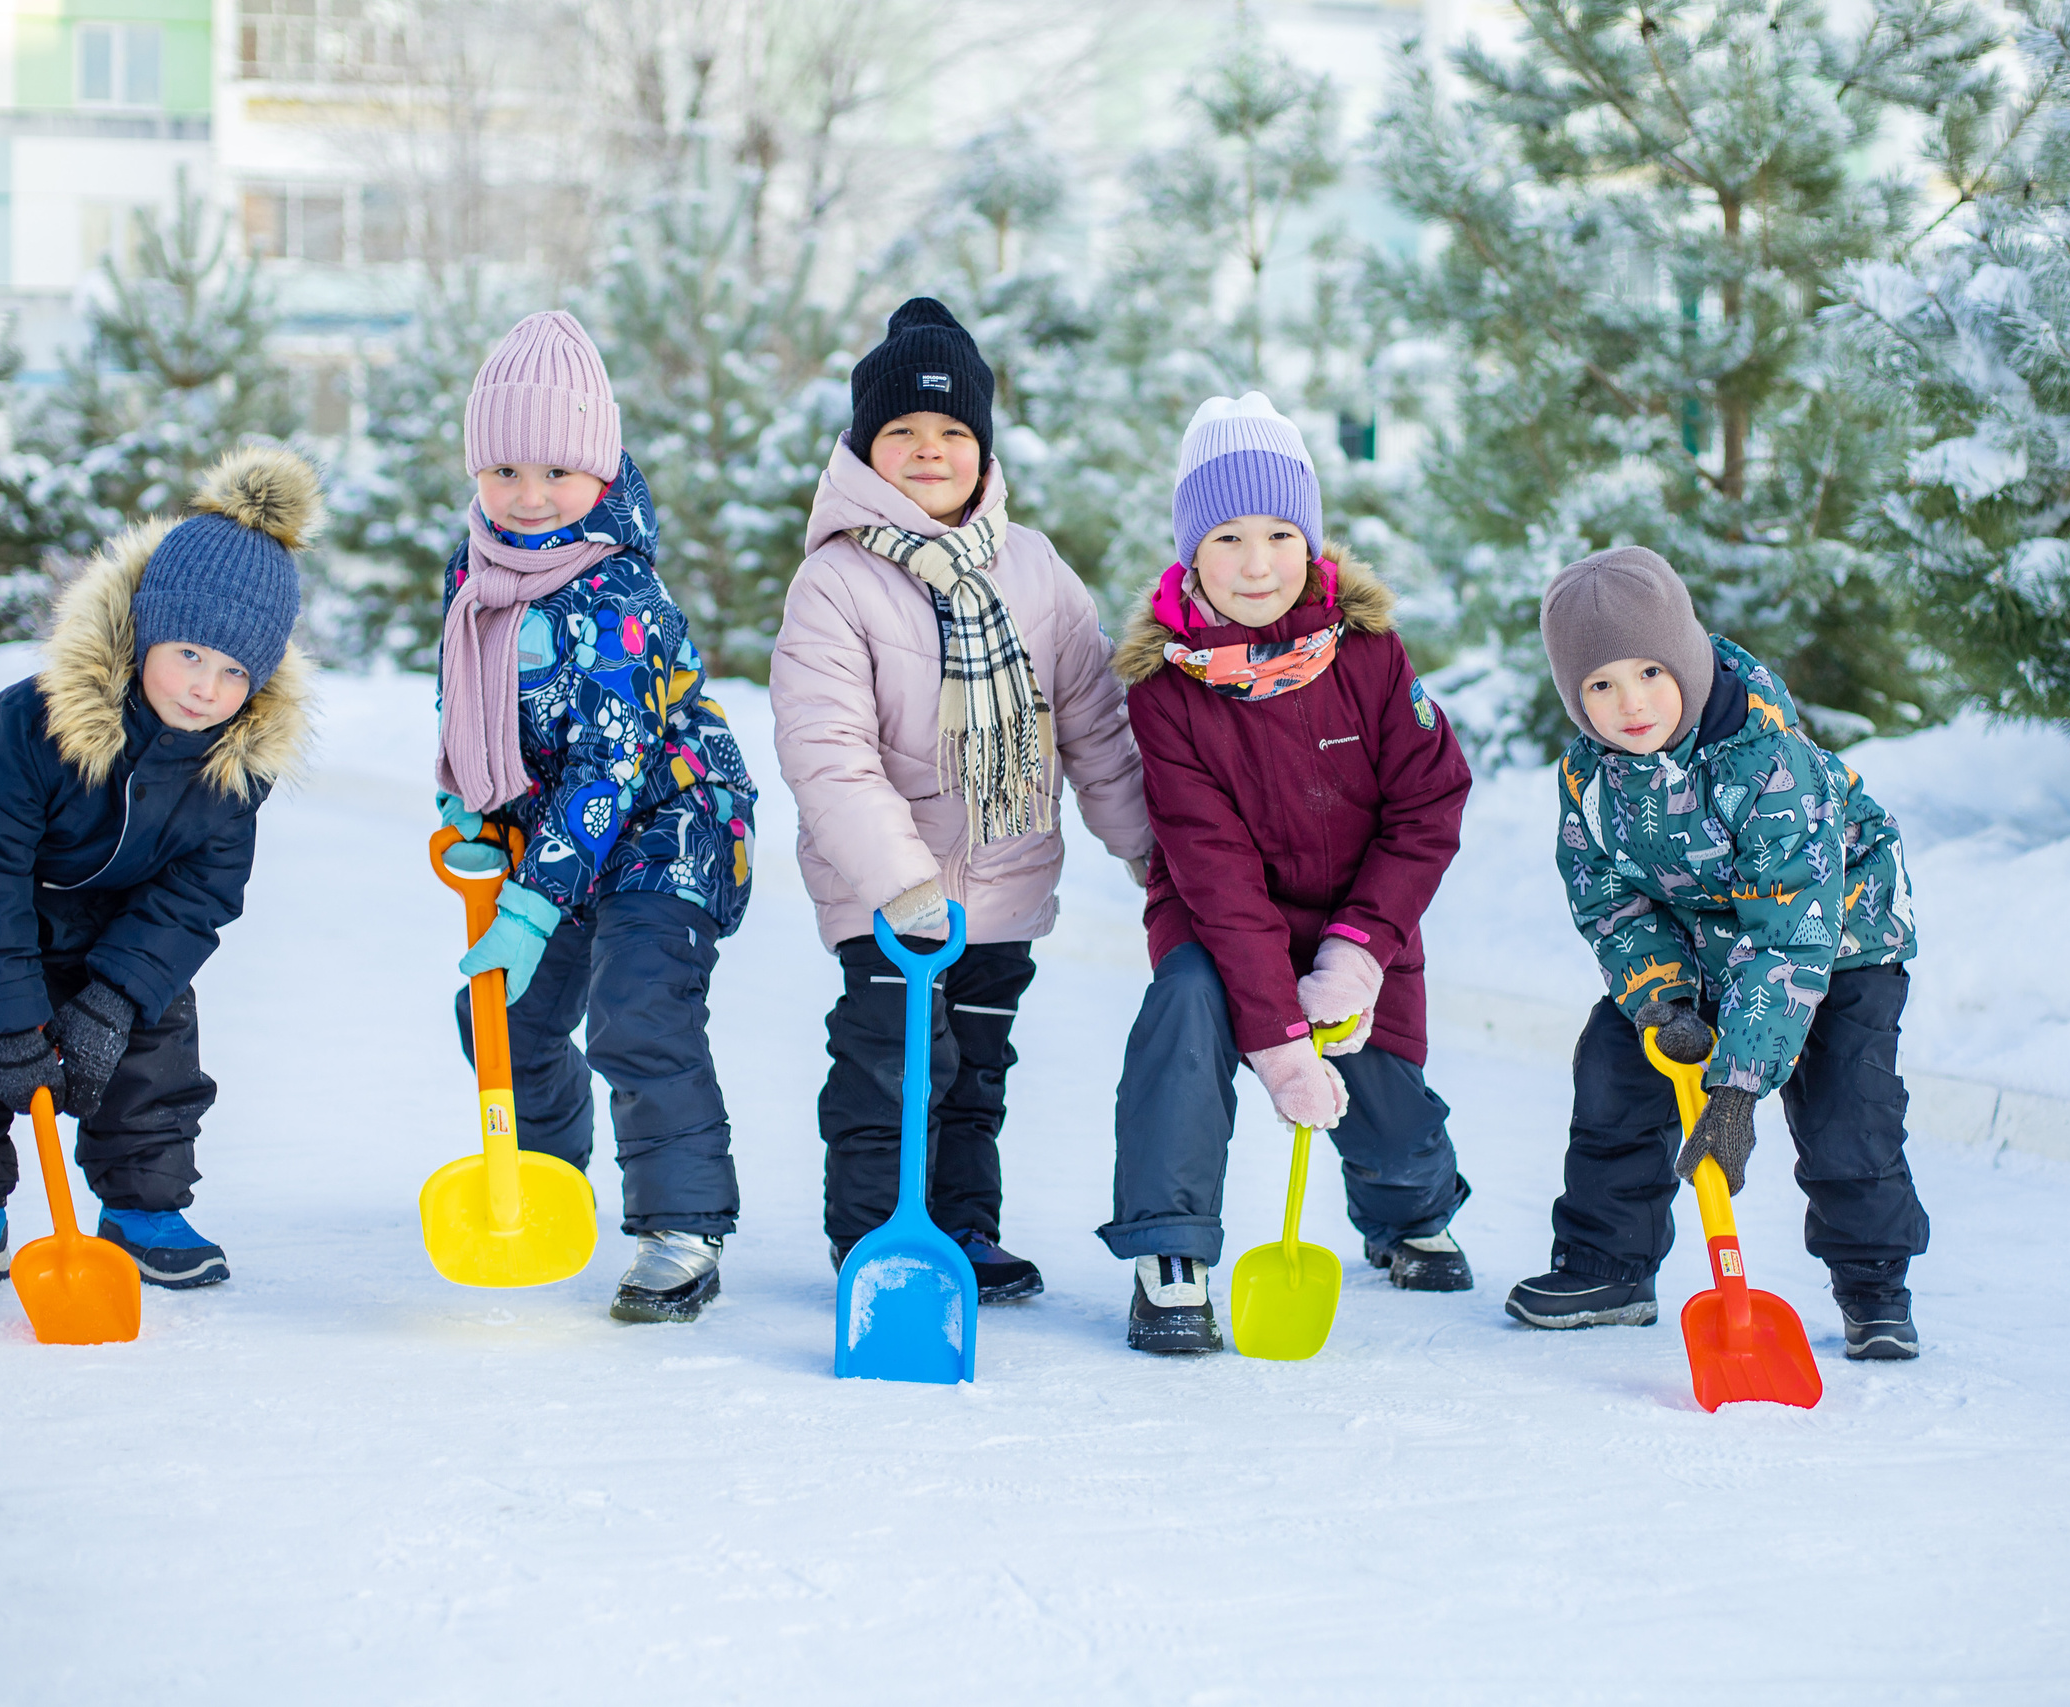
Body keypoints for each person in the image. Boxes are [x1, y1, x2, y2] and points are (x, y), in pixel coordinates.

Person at [770, 297, 1152, 1303]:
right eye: (902, 431)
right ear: (863, 450)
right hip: (884, 897)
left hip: (1003, 882)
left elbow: (1094, 727)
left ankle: (962, 1230)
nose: (929, 450)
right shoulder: (836, 583)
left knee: (975, 1073)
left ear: (983, 451)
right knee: (892, 1073)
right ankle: (873, 1245)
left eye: (952, 432)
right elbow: (827, 752)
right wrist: (900, 883)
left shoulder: (1035, 572)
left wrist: (1146, 849)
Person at [0, 445, 320, 1296]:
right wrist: (9, 1024)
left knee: (153, 1015)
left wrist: (112, 998)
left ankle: (142, 1205)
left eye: (233, 672)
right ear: (148, 627)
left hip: (97, 899)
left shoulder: (232, 768)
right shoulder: (31, 725)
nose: (203, 688)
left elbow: (197, 896)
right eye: (189, 653)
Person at [1099, 392, 1475, 1354]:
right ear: (1192, 551)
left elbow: (1427, 804)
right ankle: (1171, 1251)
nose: (1257, 562)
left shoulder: (1372, 656)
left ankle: (1408, 1211)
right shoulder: (1166, 690)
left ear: (1310, 539)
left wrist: (1358, 951)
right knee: (1186, 1011)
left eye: (1278, 532)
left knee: (1379, 1083)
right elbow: (1212, 867)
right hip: (1218, 920)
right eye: (1226, 536)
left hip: (1357, 914)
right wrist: (1274, 1040)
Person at [1507, 546, 1927, 1359]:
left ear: (1688, 660)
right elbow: (1609, 900)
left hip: (1835, 939)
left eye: (1650, 672)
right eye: (1600, 684)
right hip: (1703, 941)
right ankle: (1608, 1264)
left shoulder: (1767, 762)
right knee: (1616, 1064)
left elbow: (1790, 934)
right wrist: (1659, 999)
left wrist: (1734, 1090)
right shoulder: (1590, 780)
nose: (1630, 704)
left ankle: (1874, 1284)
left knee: (1847, 1105)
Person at [435, 310, 756, 1324]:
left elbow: (609, 768)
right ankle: (545, 1171)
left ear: (602, 475)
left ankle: (681, 1225)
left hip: (668, 825)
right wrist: (467, 790)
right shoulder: (477, 567)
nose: (530, 499)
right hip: (559, 835)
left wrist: (530, 907)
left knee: (635, 1011)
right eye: (506, 474)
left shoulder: (622, 591)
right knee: (500, 1017)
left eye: (558, 476)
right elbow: (467, 689)